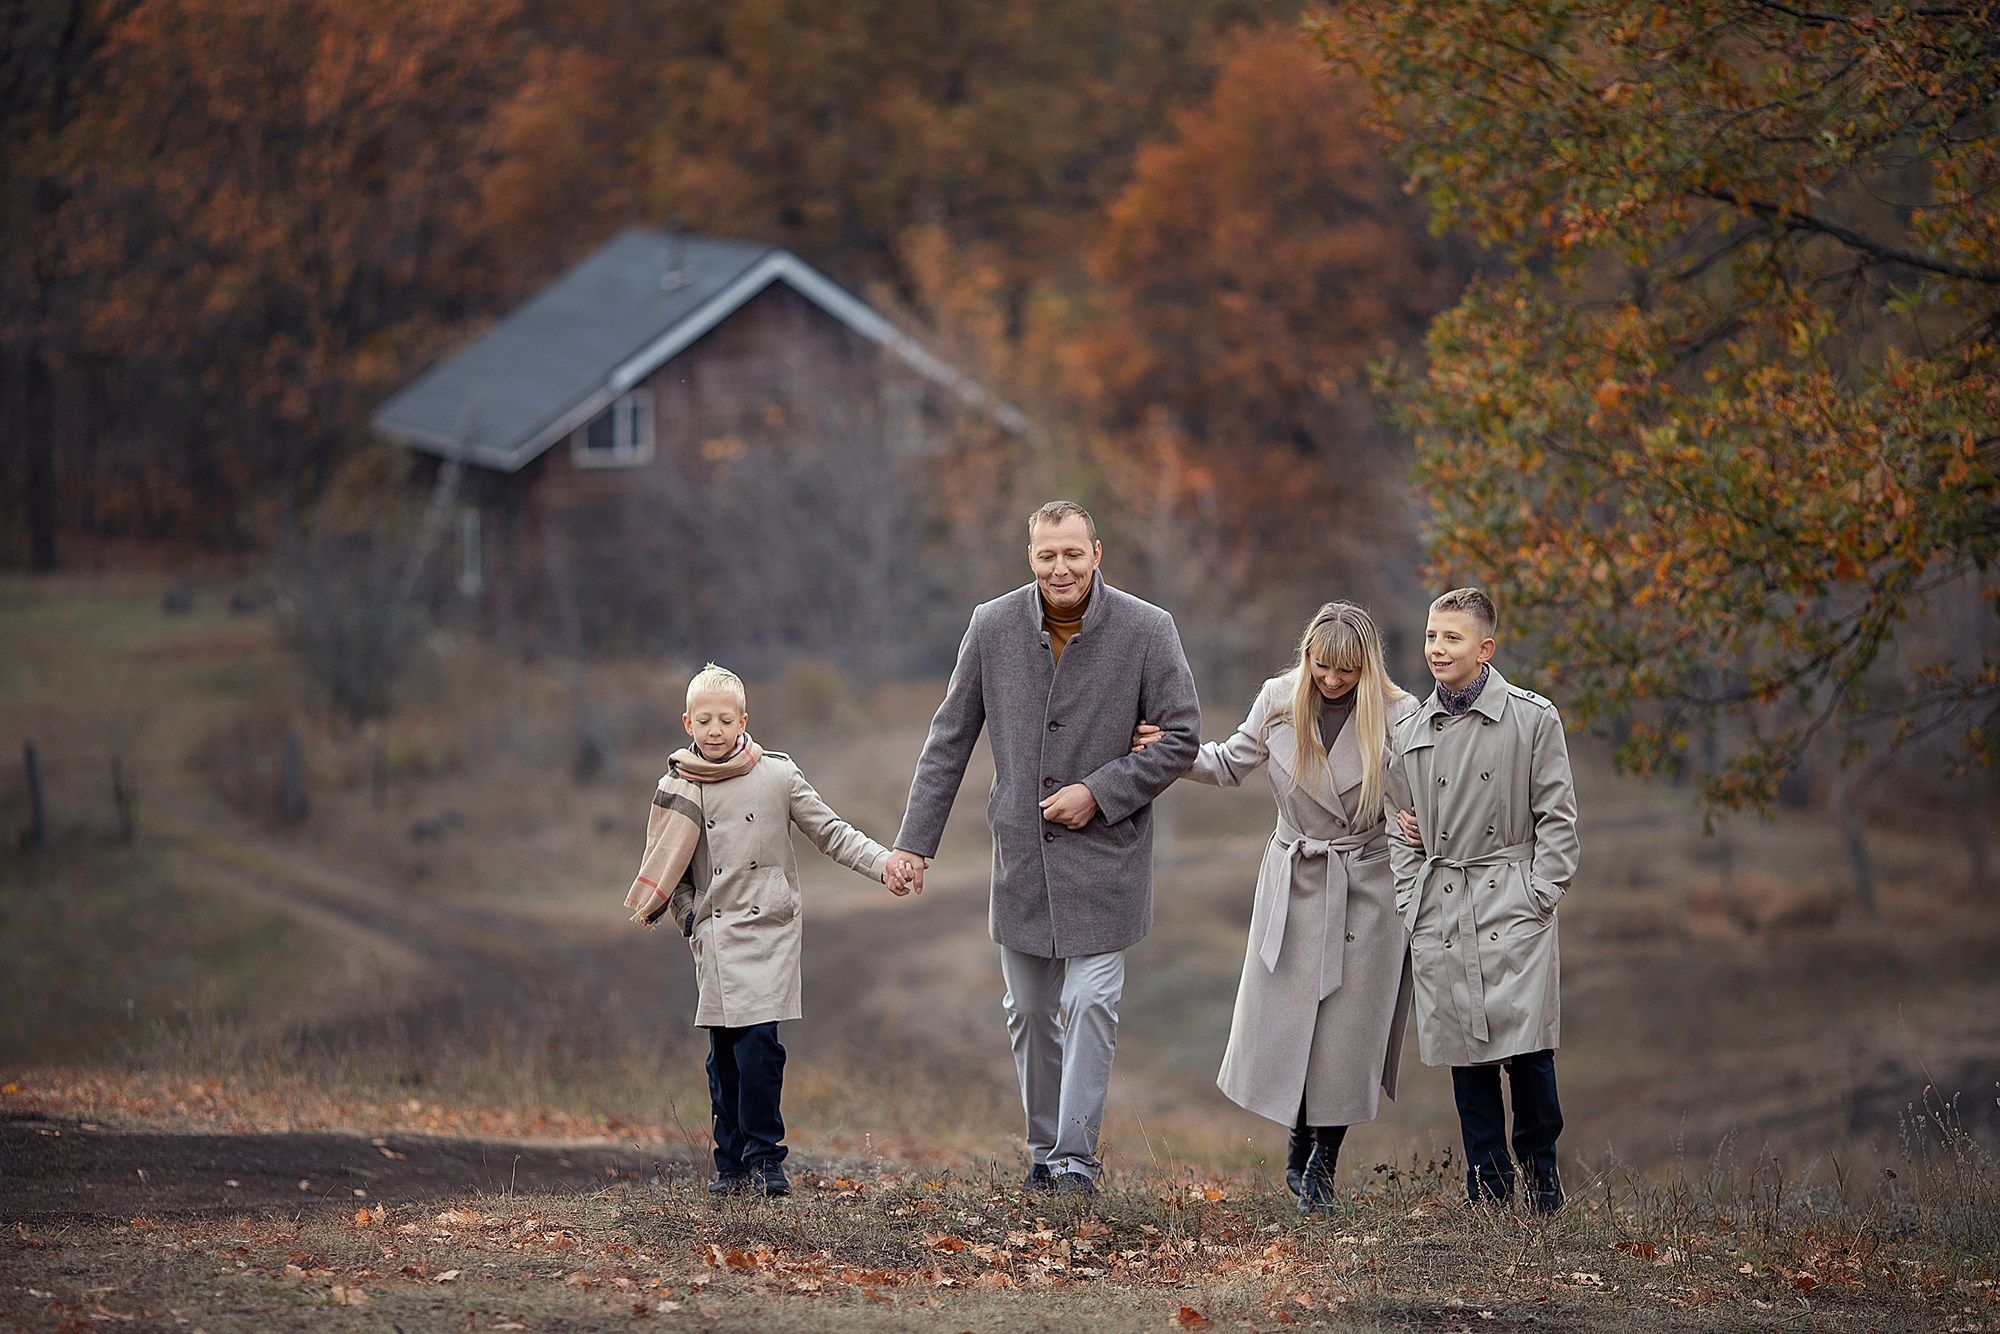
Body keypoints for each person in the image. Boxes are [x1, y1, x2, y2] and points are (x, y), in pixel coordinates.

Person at [883, 501, 1201, 1197]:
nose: (1061, 567)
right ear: (1030, 557)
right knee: (1028, 1012)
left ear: (1097, 554)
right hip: (1022, 857)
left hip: (1107, 856)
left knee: (1090, 1001)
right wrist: (915, 842)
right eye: (1046, 555)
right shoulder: (991, 626)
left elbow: (1181, 738)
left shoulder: (1149, 629)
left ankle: (1077, 1164)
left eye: (1073, 554)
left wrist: (1101, 790)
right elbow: (948, 740)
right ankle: (1044, 1153)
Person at [1135, 602, 1417, 1211]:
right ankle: (1297, 1127)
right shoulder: (1278, 700)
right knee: (1294, 1024)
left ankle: (1323, 1164)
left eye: (1346, 671)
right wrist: (1168, 751)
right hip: (1296, 881)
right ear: (1307, 657)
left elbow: (1414, 799)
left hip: (1367, 886)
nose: (1333, 681)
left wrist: (1420, 829)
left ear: (1367, 666)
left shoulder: (1399, 714)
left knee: (1347, 1034)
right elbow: (1228, 764)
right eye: (1322, 667)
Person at [623, 663, 897, 1198]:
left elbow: (832, 833)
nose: (716, 730)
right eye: (704, 720)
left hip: (768, 929)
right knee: (723, 1056)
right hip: (717, 935)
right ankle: (730, 1164)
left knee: (760, 1049)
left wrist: (884, 864)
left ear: (744, 720)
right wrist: (689, 921)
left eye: (726, 719)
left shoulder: (776, 775)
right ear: (687, 723)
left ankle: (766, 1157)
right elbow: (663, 865)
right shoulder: (675, 786)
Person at [1383, 588, 1579, 1212]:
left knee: (1528, 1056)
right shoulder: (1411, 730)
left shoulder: (1532, 718)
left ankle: (1544, 1186)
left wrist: (1538, 895)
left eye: (1453, 638)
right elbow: (1397, 821)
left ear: (1486, 648)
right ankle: (1488, 1191)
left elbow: (1559, 820)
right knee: (1466, 1064)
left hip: (1511, 905)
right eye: (1431, 636)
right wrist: (1413, 900)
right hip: (1442, 908)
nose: (1437, 648)